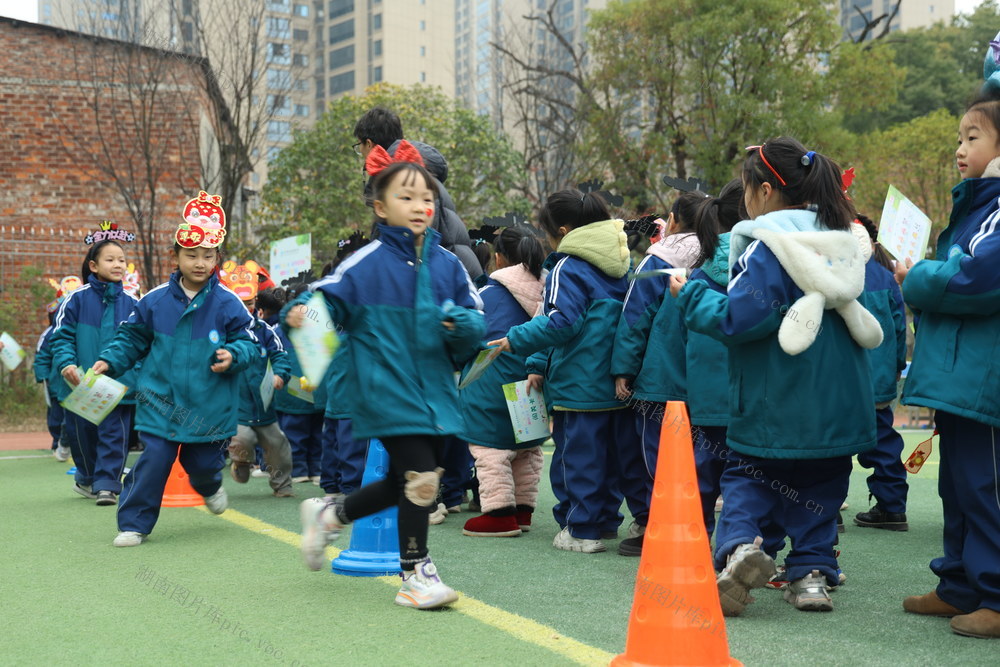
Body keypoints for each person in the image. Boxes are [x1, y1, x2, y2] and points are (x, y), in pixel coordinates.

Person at [670, 138, 882, 614]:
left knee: (748, 475)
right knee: (821, 487)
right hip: (837, 403)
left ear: (765, 191)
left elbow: (743, 319)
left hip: (774, 397)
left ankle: (742, 546)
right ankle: (809, 575)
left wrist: (690, 297)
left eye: (747, 189)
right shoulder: (844, 243)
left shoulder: (767, 243)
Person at [292, 144, 484, 609]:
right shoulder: (367, 263)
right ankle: (415, 573)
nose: (420, 207)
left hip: (436, 391)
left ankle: (330, 514)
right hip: (385, 389)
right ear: (380, 208)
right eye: (406, 198)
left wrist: (460, 324)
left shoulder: (447, 263)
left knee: (412, 480)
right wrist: (302, 315)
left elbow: (477, 319)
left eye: (427, 199)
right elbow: (326, 300)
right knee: (421, 481)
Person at [895, 69, 1000, 637]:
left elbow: (978, 278)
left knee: (985, 487)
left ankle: (997, 595)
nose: (960, 149)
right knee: (959, 483)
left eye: (973, 137)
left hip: (985, 380)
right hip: (962, 378)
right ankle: (960, 584)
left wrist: (918, 277)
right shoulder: (979, 206)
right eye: (959, 139)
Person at [92, 191, 258, 547]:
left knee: (201, 465)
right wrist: (111, 359)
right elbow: (131, 339)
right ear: (176, 256)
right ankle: (134, 523)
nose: (200, 262)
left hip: (208, 406)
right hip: (160, 401)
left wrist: (233, 354)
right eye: (192, 255)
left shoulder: (228, 304)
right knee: (154, 458)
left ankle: (210, 485)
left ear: (217, 258)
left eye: (208, 256)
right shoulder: (153, 301)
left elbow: (249, 343)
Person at [489, 189, 632, 554]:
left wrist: (515, 339)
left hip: (578, 383)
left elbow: (559, 323)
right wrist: (538, 363)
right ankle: (604, 521)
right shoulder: (621, 264)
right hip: (614, 382)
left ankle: (580, 529)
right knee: (609, 459)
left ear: (564, 230)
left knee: (576, 459)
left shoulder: (568, 266)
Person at [611, 190, 713, 556]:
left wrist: (623, 368)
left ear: (672, 220)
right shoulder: (716, 257)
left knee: (656, 455)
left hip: (660, 380)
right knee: (702, 456)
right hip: (704, 382)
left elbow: (633, 318)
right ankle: (698, 526)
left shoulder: (658, 260)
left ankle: (660, 526)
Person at [458, 226, 547, 537]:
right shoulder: (549, 291)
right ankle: (523, 510)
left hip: (491, 384)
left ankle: (499, 514)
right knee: (527, 450)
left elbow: (470, 336)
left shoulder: (489, 295)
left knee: (491, 450)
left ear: (498, 259)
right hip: (532, 380)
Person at [50, 238, 139, 505]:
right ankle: (88, 478)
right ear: (93, 265)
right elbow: (62, 337)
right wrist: (66, 363)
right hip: (81, 384)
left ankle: (107, 486)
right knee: (83, 438)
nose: (117, 264)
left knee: (115, 436)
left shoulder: (135, 303)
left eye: (121, 260)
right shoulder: (76, 299)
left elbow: (142, 342)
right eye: (110, 259)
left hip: (119, 386)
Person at [680, 180, 746, 541]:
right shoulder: (761, 266)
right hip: (749, 396)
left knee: (702, 472)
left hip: (704, 396)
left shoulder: (698, 273)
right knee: (745, 476)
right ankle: (737, 545)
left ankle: (697, 541)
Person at [354, 106, 482, 280]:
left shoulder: (411, 182)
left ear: (368, 144)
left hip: (447, 286)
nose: (419, 208)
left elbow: (417, 252)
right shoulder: (419, 174)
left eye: (359, 146)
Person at [850, 214, 909, 531]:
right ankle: (892, 506)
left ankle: (825, 511)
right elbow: (900, 330)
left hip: (842, 378)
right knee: (883, 440)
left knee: (833, 443)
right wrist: (896, 366)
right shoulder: (886, 277)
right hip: (879, 376)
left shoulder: (833, 269)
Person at [221, 264, 295, 498]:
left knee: (278, 446)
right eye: (241, 304)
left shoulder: (265, 330)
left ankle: (282, 486)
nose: (246, 308)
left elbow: (280, 356)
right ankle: (241, 463)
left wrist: (279, 374)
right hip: (236, 406)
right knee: (242, 438)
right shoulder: (222, 332)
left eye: (250, 303)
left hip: (264, 405)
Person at [34, 294, 73, 461]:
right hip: (56, 384)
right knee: (56, 416)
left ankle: (72, 444)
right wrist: (43, 377)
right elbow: (42, 357)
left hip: (77, 383)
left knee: (74, 418)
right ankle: (57, 441)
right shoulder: (49, 334)